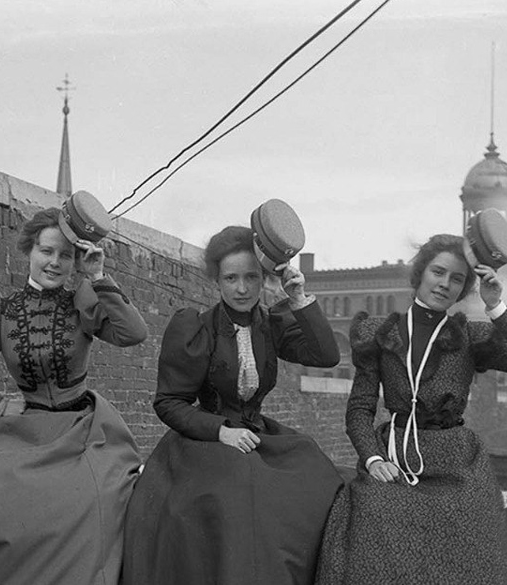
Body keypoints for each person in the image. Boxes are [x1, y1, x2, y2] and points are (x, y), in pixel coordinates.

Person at [0, 202, 149, 585]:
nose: (54, 263)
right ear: (29, 252)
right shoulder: (2, 309)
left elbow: (134, 333)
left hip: (86, 433)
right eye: (46, 251)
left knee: (96, 505)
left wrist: (98, 275)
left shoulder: (82, 301)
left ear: (76, 261)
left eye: (65, 255)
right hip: (24, 435)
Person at [315, 233, 507, 585]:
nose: (445, 284)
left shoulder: (469, 336)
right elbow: (360, 408)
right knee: (373, 513)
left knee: (468, 526)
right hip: (396, 453)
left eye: (457, 279)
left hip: (456, 460)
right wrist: (373, 459)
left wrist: (495, 305)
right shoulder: (379, 332)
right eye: (438, 272)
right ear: (421, 273)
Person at [122, 225, 344, 585]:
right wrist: (221, 431)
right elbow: (168, 403)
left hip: (256, 434)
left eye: (251, 277)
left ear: (264, 280)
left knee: (316, 479)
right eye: (231, 278)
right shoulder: (195, 328)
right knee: (237, 495)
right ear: (217, 280)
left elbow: (326, 355)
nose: (241, 289)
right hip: (204, 441)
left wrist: (299, 297)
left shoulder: (272, 325)